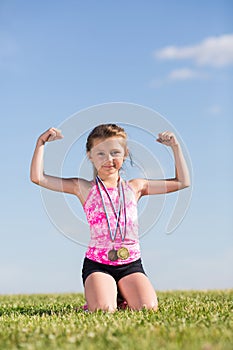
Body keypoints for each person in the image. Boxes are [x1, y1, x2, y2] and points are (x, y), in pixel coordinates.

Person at [30, 123, 190, 312]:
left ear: (125, 153)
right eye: (100, 153)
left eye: (115, 152)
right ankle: (103, 298)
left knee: (148, 308)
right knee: (104, 309)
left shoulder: (136, 187)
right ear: (90, 156)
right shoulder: (83, 188)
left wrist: (175, 147)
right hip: (98, 265)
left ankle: (121, 296)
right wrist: (40, 143)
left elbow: (182, 182)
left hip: (130, 264)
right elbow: (38, 177)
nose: (109, 159)